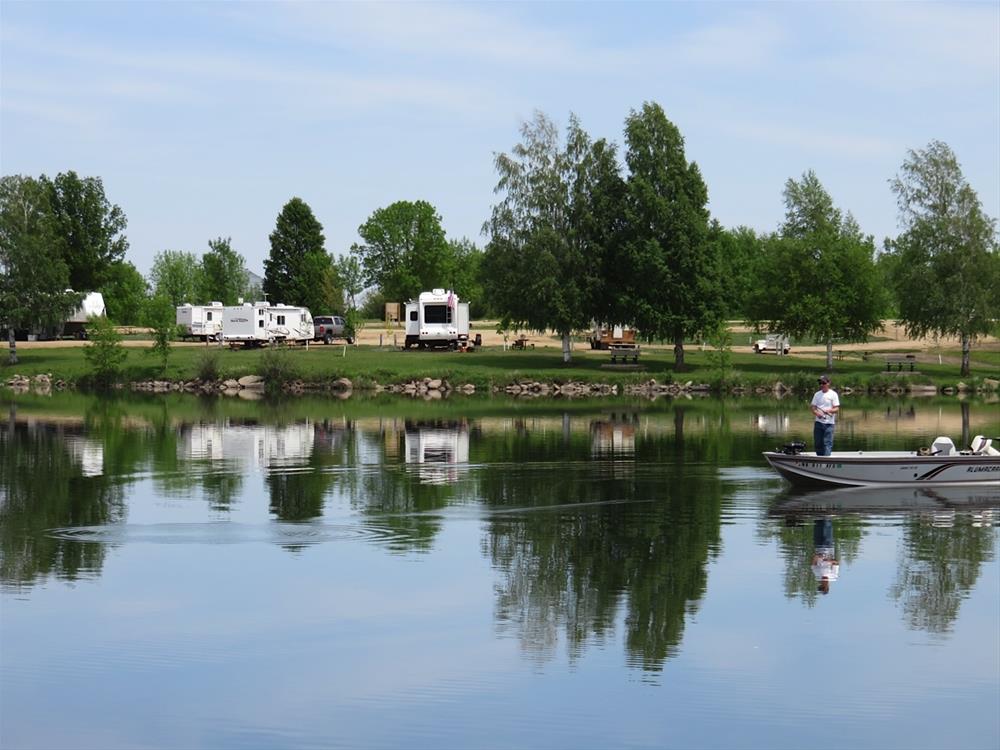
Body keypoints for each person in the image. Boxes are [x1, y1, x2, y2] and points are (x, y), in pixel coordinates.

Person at [811, 374, 839, 456]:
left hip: (829, 424)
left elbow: (836, 409)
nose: (821, 385)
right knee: (818, 443)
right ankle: (820, 459)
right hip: (818, 423)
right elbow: (813, 407)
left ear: (828, 383)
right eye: (820, 383)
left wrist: (829, 410)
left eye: (823, 383)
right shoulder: (817, 394)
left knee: (827, 443)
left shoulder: (833, 394)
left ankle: (826, 460)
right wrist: (817, 413)